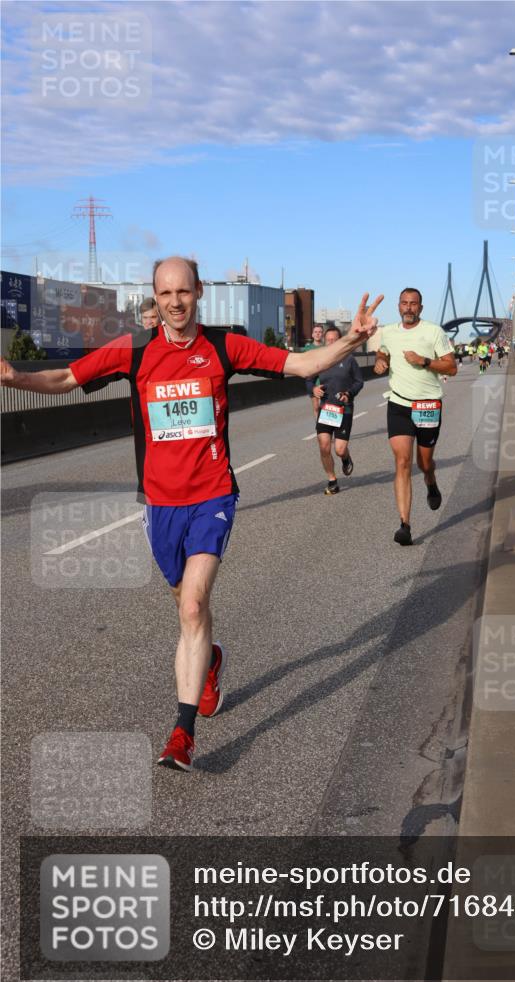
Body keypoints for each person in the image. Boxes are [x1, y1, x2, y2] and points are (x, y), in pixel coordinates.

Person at [0, 256, 382, 772]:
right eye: (165, 294)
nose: (175, 302)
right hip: (160, 505)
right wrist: (11, 376)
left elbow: (299, 364)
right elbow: (67, 377)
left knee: (193, 607)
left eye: (184, 291)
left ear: (198, 291)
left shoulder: (222, 347)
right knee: (186, 603)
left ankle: (182, 733)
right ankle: (212, 661)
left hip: (212, 495)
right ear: (154, 298)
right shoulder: (135, 352)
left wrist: (351, 342)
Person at [373, 287, 457, 546]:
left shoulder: (434, 332)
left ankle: (431, 482)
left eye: (413, 304)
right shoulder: (387, 332)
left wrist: (423, 361)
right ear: (399, 306)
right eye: (404, 303)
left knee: (424, 463)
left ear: (420, 308)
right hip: (398, 403)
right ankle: (405, 525)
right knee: (402, 462)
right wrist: (380, 360)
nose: (409, 307)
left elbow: (451, 367)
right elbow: (383, 350)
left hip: (428, 404)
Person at [308, 326, 364, 495]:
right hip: (326, 409)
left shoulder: (349, 359)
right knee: (324, 446)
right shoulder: (320, 359)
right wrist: (313, 390)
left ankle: (345, 458)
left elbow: (359, 382)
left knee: (339, 449)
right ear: (325, 341)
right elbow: (308, 379)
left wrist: (349, 393)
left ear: (340, 341)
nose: (331, 342)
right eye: (328, 339)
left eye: (335, 339)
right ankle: (332, 480)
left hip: (344, 409)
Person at [302, 324, 325, 417]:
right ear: (312, 334)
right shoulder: (307, 349)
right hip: (312, 381)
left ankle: (325, 427)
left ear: (322, 334)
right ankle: (318, 426)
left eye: (320, 332)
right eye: (316, 332)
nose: (318, 334)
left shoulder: (326, 347)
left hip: (324, 379)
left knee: (325, 406)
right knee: (316, 407)